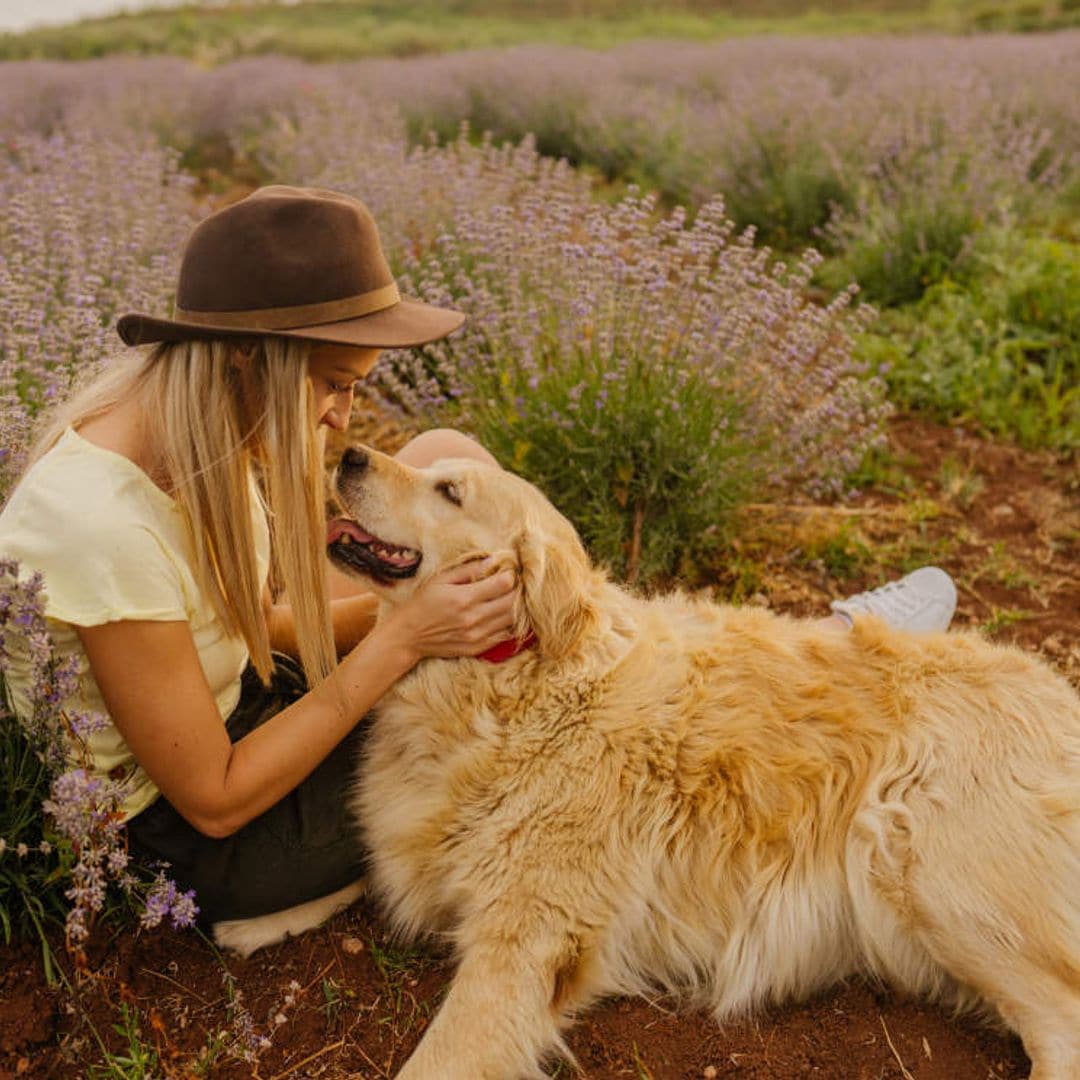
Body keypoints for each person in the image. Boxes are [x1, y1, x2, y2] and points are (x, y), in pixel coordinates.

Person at [0, 185, 956, 926]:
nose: (342, 417)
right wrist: (406, 641)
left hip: (239, 713)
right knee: (548, 743)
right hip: (194, 840)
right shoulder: (100, 523)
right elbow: (209, 798)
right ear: (251, 361)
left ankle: (714, 654)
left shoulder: (203, 433)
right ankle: (819, 650)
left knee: (443, 459)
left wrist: (410, 612)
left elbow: (258, 633)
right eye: (331, 386)